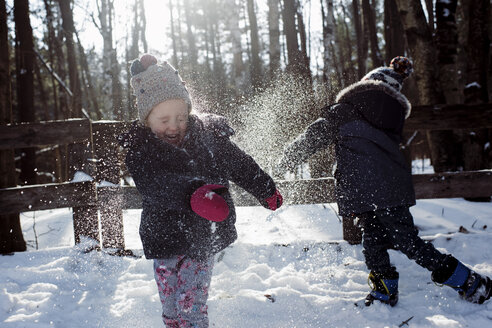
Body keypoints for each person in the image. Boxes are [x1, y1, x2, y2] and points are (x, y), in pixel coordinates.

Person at [276, 56, 491, 306]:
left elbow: (312, 137)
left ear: (365, 86)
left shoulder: (345, 111)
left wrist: (287, 160)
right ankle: (384, 292)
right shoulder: (390, 118)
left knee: (405, 243)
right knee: (376, 241)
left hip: (366, 191)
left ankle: (471, 283)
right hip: (391, 191)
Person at [119, 54, 283, 327]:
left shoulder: (208, 135)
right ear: (147, 120)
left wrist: (265, 188)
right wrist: (194, 194)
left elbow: (239, 163)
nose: (174, 125)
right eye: (164, 120)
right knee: (171, 307)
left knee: (191, 305)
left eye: (181, 116)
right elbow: (153, 185)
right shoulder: (141, 150)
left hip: (201, 237)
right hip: (163, 237)